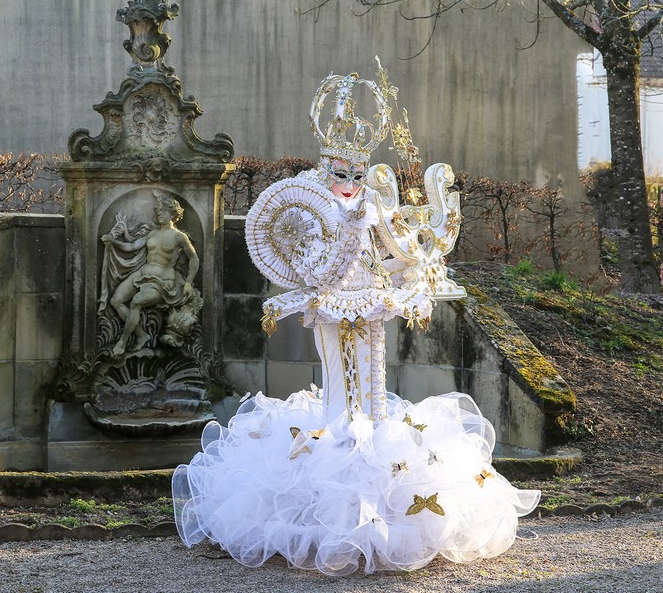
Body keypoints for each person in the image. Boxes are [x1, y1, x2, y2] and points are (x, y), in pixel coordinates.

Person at [172, 71, 539, 574]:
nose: (350, 186)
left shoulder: (369, 209)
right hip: (330, 306)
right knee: (341, 397)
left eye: (358, 176)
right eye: (341, 175)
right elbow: (318, 271)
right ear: (326, 171)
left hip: (372, 305)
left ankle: (378, 471)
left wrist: (413, 271)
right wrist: (344, 234)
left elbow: (395, 255)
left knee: (375, 388)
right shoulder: (309, 213)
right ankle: (340, 469)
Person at [102, 192, 199, 356]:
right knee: (116, 300)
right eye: (158, 211)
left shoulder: (179, 237)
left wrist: (189, 281)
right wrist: (113, 241)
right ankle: (141, 335)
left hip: (162, 282)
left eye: (162, 211)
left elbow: (194, 258)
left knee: (136, 302)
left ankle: (122, 342)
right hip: (142, 275)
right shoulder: (153, 233)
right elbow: (132, 247)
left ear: (172, 213)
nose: (159, 213)